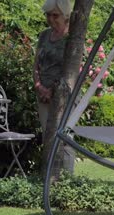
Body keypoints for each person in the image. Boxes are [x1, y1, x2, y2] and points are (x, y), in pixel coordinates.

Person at [33, 0, 75, 173]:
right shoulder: (44, 35)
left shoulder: (72, 38)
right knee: (48, 136)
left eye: (55, 15)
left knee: (65, 137)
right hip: (42, 94)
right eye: (48, 15)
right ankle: (50, 179)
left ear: (65, 16)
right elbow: (36, 64)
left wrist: (53, 91)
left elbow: (71, 69)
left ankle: (67, 179)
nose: (51, 19)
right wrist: (39, 86)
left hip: (64, 95)